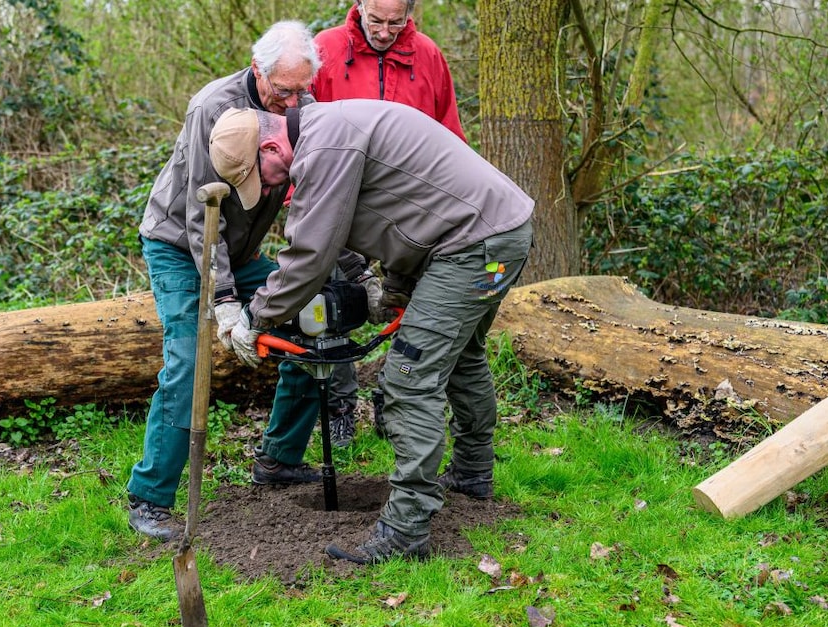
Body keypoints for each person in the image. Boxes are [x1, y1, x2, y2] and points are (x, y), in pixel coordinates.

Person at [208, 99, 534, 564]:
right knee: (463, 357)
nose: (271, 187)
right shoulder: (333, 129)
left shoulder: (326, 145)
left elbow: (310, 255)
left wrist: (254, 318)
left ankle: (405, 532)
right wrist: (397, 290)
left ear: (272, 145)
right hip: (492, 234)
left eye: (264, 176)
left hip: (473, 247)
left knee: (407, 376)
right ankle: (472, 473)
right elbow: (408, 211)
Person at [126, 21, 348, 542]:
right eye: (283, 90)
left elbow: (321, 192)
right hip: (181, 246)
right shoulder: (213, 108)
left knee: (308, 325)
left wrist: (341, 267)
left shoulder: (303, 108)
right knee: (189, 361)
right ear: (257, 70)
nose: (293, 101)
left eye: (302, 90)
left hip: (243, 249)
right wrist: (224, 300)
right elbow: (202, 217)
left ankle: (278, 459)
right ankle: (150, 497)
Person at [311, 0, 467, 448]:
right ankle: (340, 405)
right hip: (340, 207)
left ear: (410, 14)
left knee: (412, 312)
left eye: (394, 23)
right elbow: (298, 134)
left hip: (413, 213)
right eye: (375, 21)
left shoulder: (429, 56)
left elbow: (449, 135)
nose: (383, 31)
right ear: (357, 7)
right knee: (334, 309)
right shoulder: (325, 51)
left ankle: (390, 395)